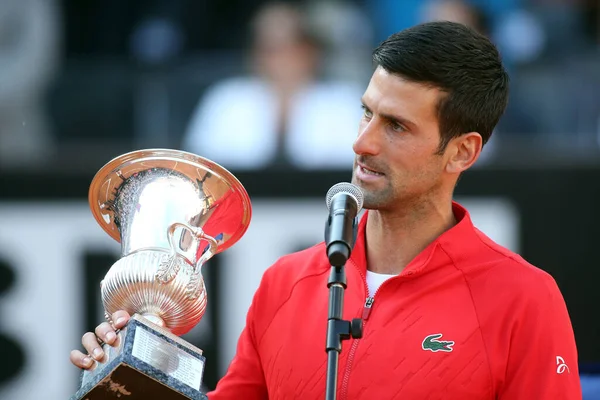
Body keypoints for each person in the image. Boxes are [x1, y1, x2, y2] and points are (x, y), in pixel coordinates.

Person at [70, 21, 582, 399]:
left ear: (463, 152)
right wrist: (133, 382)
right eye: (366, 112)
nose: (362, 142)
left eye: (396, 126)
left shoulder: (524, 299)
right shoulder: (285, 282)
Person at [180, 2, 362, 171]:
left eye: (286, 46)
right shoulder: (226, 98)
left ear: (310, 51)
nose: (276, 58)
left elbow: (357, 163)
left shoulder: (343, 100)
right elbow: (199, 165)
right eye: (267, 47)